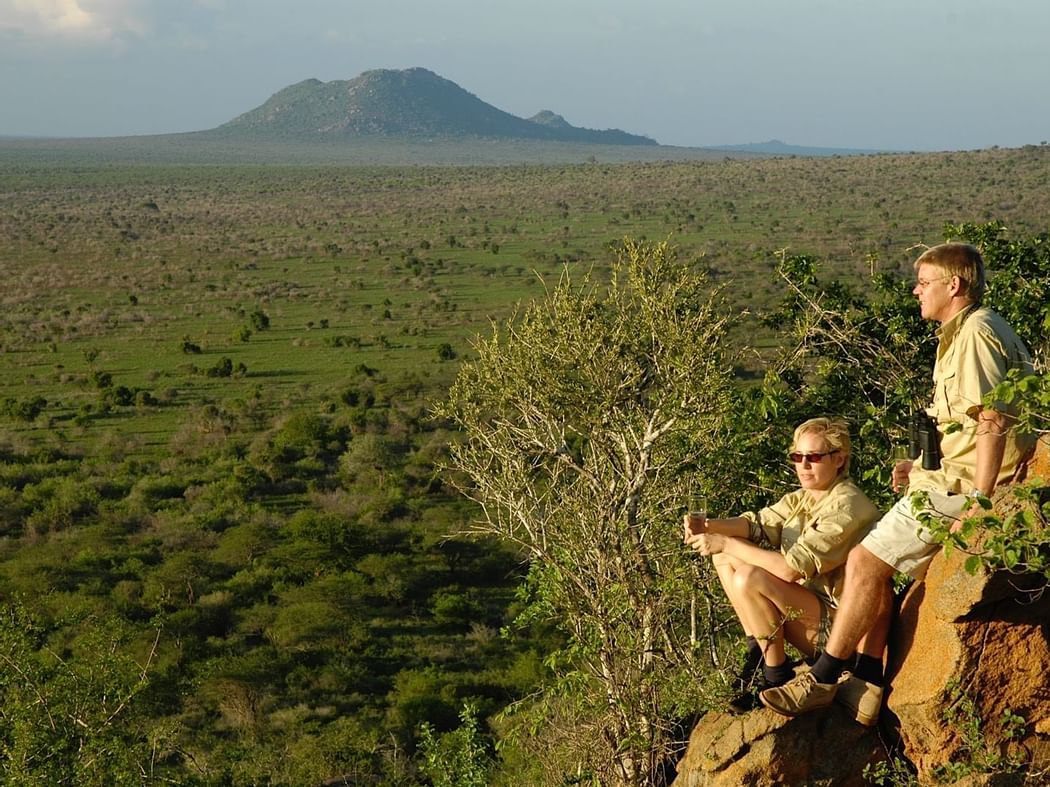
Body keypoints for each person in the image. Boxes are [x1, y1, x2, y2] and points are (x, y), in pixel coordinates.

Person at [760, 242, 1035, 726]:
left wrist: (982, 501)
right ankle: (866, 680)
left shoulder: (975, 333)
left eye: (924, 282)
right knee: (872, 564)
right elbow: (965, 422)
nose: (916, 290)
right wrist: (918, 465)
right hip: (946, 477)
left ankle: (823, 677)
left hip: (960, 488)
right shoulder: (964, 331)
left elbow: (992, 418)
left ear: (954, 285)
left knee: (866, 560)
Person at [684, 417, 880, 713]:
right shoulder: (804, 498)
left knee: (749, 575)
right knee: (725, 556)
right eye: (797, 457)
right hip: (812, 609)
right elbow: (758, 524)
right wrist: (711, 527)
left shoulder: (846, 506)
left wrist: (725, 541)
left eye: (813, 457)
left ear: (839, 459)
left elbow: (791, 569)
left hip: (841, 629)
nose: (803, 465)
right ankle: (757, 653)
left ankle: (775, 675)